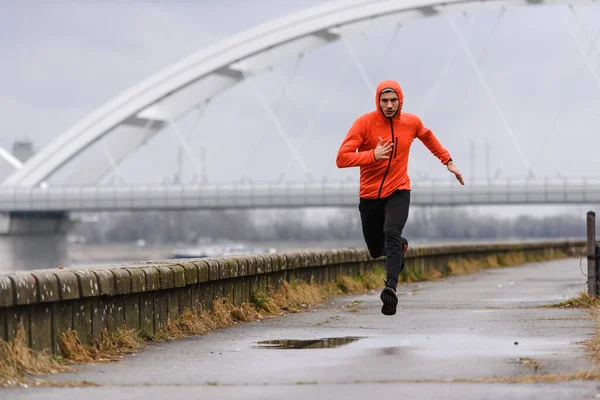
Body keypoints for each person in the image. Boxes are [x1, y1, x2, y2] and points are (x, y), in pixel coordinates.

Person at [336, 79, 464, 316]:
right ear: (378, 101)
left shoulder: (411, 123)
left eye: (393, 100)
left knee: (391, 232)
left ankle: (390, 289)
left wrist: (448, 161)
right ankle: (401, 248)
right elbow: (341, 158)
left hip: (399, 189)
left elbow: (428, 137)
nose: (389, 105)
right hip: (370, 195)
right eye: (384, 100)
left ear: (400, 100)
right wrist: (372, 155)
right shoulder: (364, 124)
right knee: (375, 249)